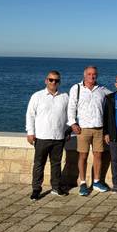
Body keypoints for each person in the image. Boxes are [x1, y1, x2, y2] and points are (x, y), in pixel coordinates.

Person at [68, 66, 112, 196]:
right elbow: (71, 107)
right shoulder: (76, 88)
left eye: (94, 74)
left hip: (99, 128)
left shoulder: (102, 90)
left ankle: (97, 182)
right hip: (83, 129)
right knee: (83, 156)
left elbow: (116, 97)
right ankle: (82, 183)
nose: (92, 76)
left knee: (98, 155)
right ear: (84, 75)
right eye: (89, 74)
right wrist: (72, 123)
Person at [26, 70, 69, 200]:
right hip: (41, 137)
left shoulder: (65, 97)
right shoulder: (37, 96)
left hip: (58, 137)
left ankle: (56, 187)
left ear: (59, 82)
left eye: (56, 80)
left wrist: (67, 131)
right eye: (51, 80)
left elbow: (69, 116)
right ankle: (36, 189)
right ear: (46, 81)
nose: (53, 82)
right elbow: (30, 115)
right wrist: (30, 132)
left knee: (56, 164)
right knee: (39, 164)